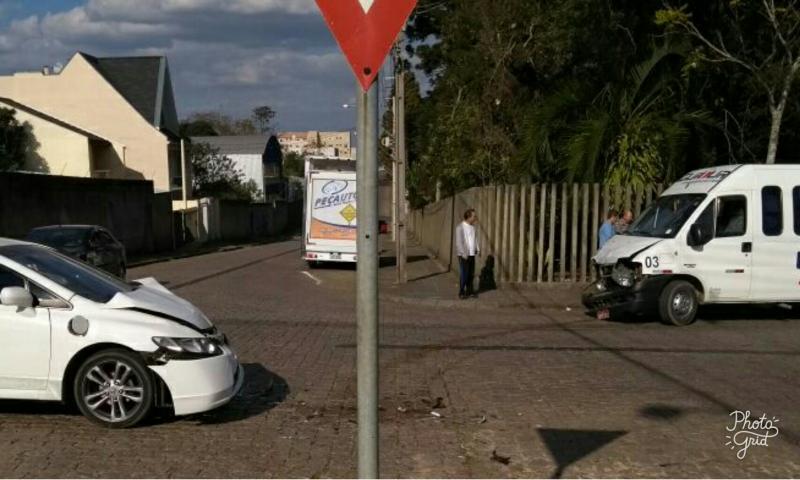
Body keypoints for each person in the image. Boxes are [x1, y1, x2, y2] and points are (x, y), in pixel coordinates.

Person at [455, 208, 480, 299]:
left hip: (472, 254)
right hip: (464, 255)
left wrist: (477, 249)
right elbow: (459, 242)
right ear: (469, 217)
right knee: (464, 274)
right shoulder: (460, 227)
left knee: (471, 273)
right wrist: (463, 254)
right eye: (474, 216)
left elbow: (475, 239)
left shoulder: (473, 227)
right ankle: (461, 291)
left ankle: (470, 291)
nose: (475, 217)